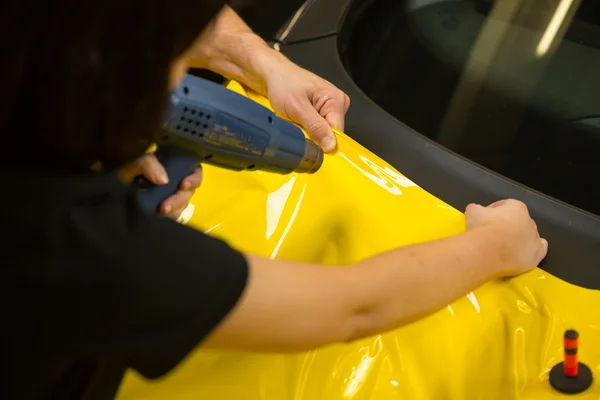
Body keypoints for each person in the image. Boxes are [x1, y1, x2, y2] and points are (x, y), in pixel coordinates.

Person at [0, 1, 548, 399]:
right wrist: (498, 244)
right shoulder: (76, 247)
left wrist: (266, 65)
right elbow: (356, 305)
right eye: (176, 56)